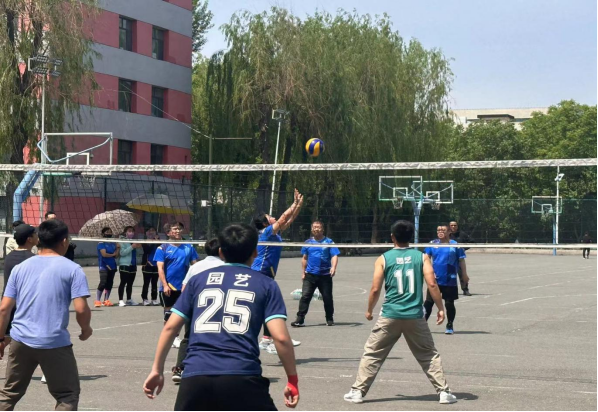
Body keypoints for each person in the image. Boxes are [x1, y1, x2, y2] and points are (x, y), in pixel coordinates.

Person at [143, 223, 300, 411]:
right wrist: (292, 380)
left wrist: (157, 369)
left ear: (221, 252)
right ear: (255, 252)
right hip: (241, 374)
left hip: (195, 376)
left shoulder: (198, 280)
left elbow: (170, 327)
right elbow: (280, 338)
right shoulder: (266, 284)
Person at [344, 220, 457, 406]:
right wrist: (440, 308)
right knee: (428, 354)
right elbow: (432, 284)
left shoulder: (383, 258)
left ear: (392, 237)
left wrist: (369, 310)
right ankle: (444, 392)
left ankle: (358, 391)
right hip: (415, 315)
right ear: (411, 237)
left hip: (390, 314)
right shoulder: (422, 257)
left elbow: (375, 289)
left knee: (373, 353)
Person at [0, 219, 93, 411]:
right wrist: (86, 329)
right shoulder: (72, 269)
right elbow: (81, 309)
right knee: (67, 396)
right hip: (54, 342)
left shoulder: (20, 268)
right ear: (64, 241)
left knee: (9, 394)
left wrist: (1, 338)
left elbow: (4, 308)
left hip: (20, 340)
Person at [253, 189, 304, 355]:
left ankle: (266, 340)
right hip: (260, 273)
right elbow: (283, 218)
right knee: (273, 306)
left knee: (267, 307)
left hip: (266, 274)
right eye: (269, 217)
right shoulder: (266, 232)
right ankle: (274, 340)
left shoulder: (273, 233)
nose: (273, 217)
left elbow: (288, 221)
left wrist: (298, 206)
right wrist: (294, 203)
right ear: (265, 223)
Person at [155, 222, 199, 383]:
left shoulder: (188, 247)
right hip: (169, 286)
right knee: (169, 313)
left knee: (185, 315)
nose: (178, 231)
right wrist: (165, 284)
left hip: (184, 286)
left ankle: (179, 337)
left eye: (180, 228)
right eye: (174, 229)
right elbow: (160, 268)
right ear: (168, 232)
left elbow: (195, 265)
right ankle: (172, 337)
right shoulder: (162, 248)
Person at [292, 221, 340, 328]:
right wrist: (303, 272)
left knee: (327, 298)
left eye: (318, 227)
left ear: (322, 229)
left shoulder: (329, 242)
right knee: (305, 297)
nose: (316, 229)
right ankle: (300, 319)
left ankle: (329, 318)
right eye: (314, 227)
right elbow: (304, 258)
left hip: (325, 275)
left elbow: (334, 256)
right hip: (310, 275)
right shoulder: (308, 242)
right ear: (311, 229)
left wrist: (333, 267)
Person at [425, 225, 469, 335]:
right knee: (429, 303)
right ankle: (422, 325)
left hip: (450, 278)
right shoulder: (432, 244)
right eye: (438, 230)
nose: (440, 231)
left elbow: (461, 260)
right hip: (435, 279)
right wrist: (429, 272)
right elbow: (426, 258)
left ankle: (449, 325)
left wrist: (464, 274)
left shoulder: (455, 245)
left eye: (443, 230)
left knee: (449, 303)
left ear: (449, 232)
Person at [2, 225, 38, 340]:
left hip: (8, 303)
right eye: (35, 234)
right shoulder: (33, 259)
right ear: (29, 239)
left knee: (6, 339)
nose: (38, 236)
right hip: (25, 307)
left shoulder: (9, 257)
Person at [117, 226, 142, 307]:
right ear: (125, 232)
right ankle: (120, 300)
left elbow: (138, 252)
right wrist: (132, 247)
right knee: (123, 282)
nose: (131, 233)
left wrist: (138, 247)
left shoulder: (134, 241)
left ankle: (129, 299)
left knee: (130, 283)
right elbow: (122, 253)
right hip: (125, 264)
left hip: (133, 264)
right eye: (129, 231)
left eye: (132, 231)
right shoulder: (122, 241)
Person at [95, 227, 120, 308]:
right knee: (103, 282)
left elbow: (116, 256)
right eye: (107, 232)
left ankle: (106, 300)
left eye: (110, 232)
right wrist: (113, 254)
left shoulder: (113, 243)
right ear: (103, 233)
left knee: (109, 283)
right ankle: (97, 300)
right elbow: (104, 254)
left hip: (112, 265)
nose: (109, 233)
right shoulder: (101, 243)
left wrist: (118, 248)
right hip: (104, 266)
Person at [449, 221, 473, 297]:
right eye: (451, 225)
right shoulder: (447, 234)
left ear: (457, 226)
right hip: (449, 258)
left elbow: (471, 242)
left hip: (459, 258)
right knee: (448, 275)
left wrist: (463, 249)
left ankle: (465, 289)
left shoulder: (462, 234)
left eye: (455, 225)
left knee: (462, 274)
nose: (453, 227)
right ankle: (448, 290)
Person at [142, 227, 161, 306]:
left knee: (154, 283)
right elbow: (147, 250)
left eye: (153, 230)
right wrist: (153, 242)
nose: (151, 232)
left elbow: (161, 249)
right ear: (146, 232)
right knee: (146, 283)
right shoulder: (145, 241)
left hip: (156, 264)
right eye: (149, 230)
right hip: (147, 264)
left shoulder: (158, 240)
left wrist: (157, 242)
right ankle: (145, 298)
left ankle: (154, 298)